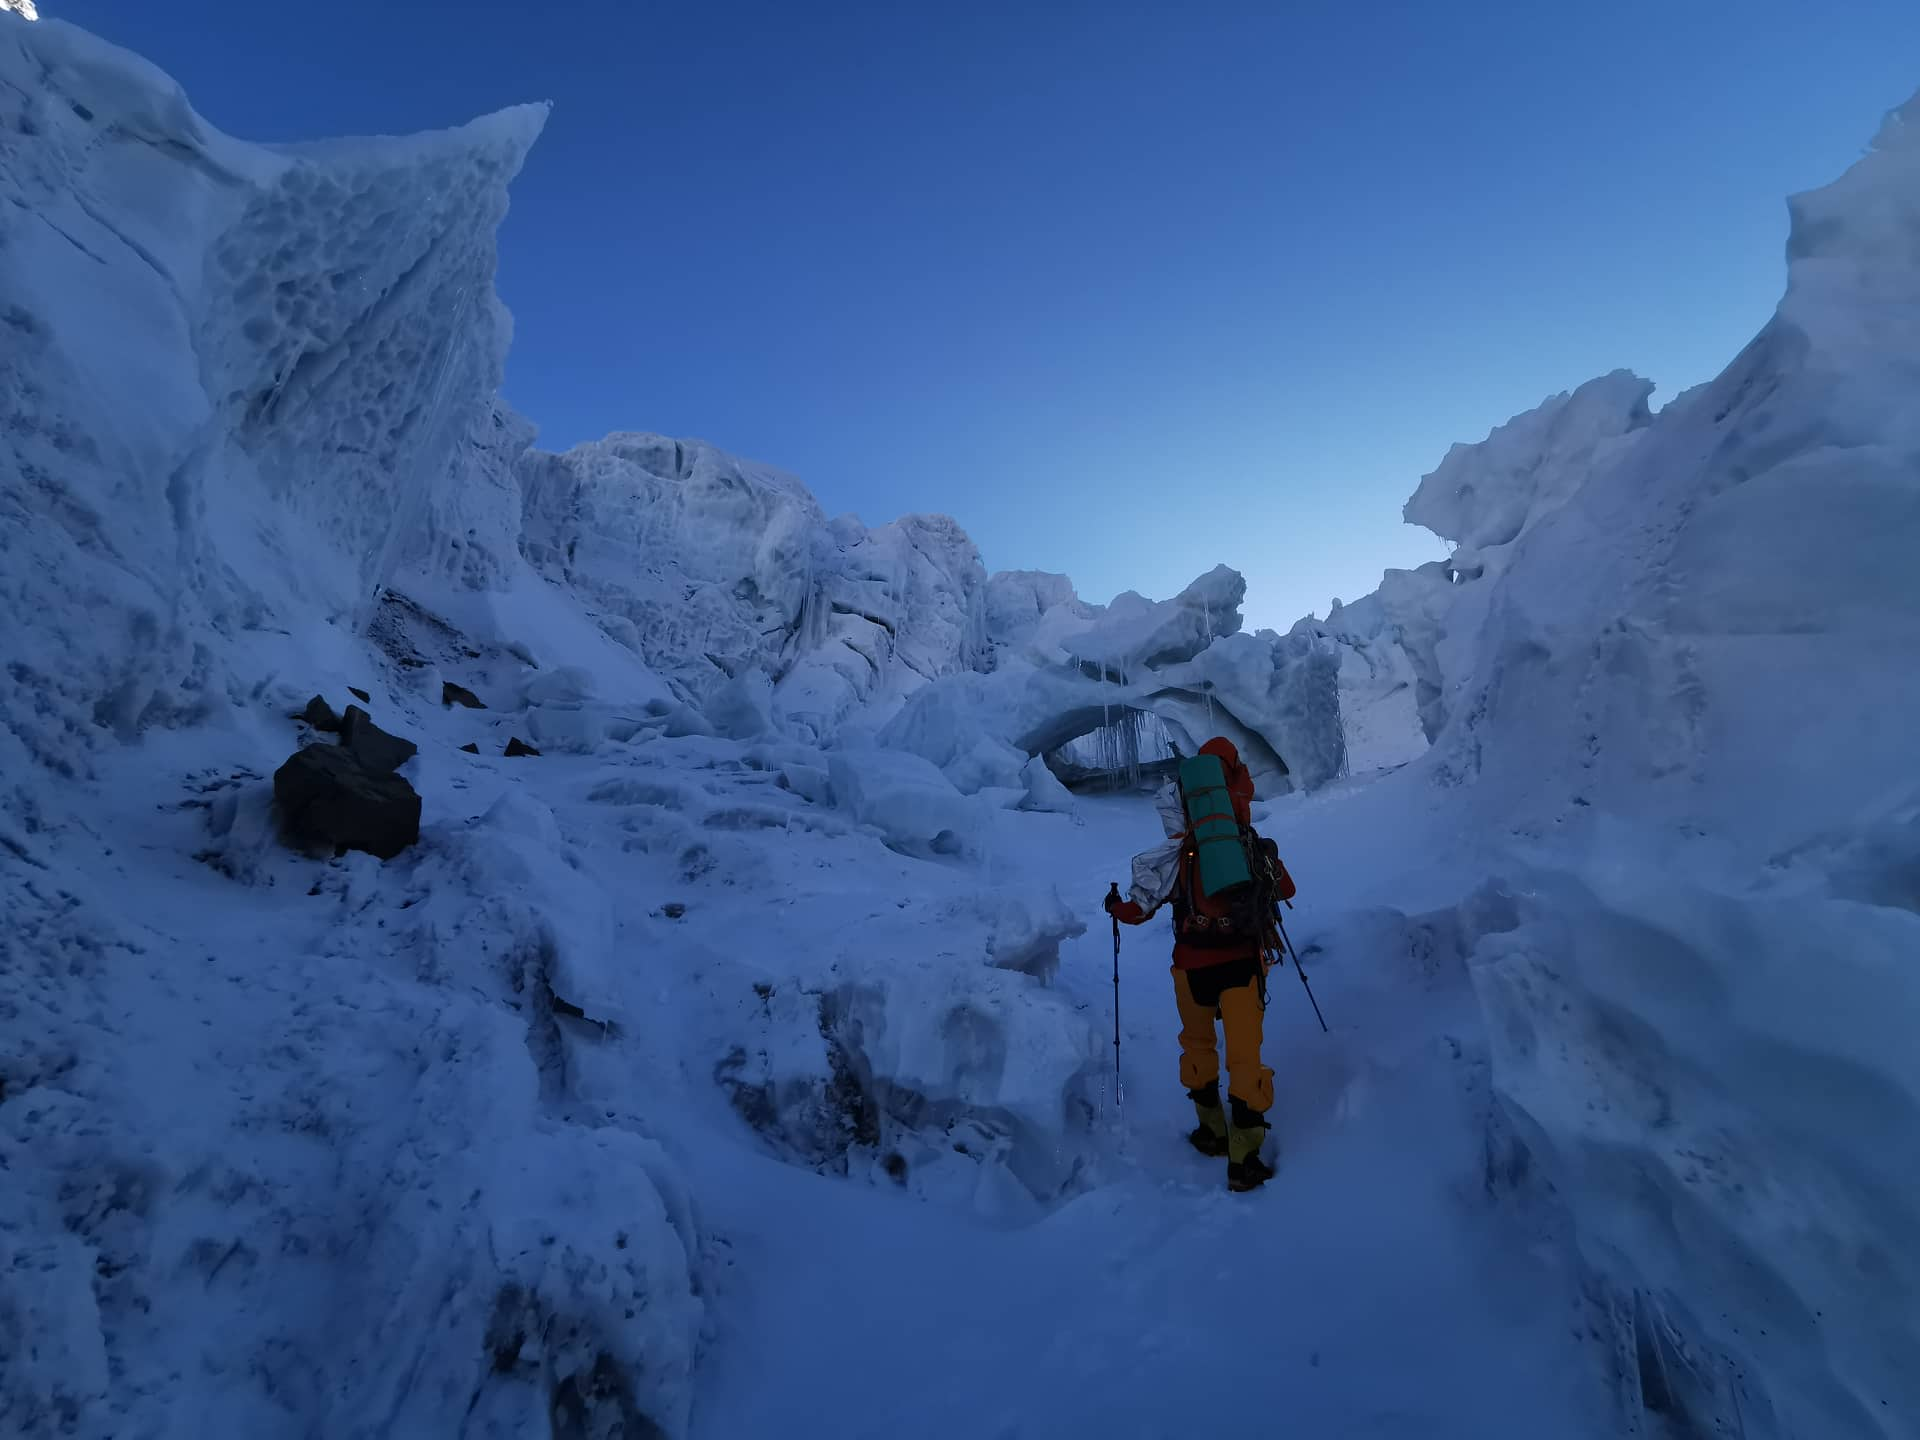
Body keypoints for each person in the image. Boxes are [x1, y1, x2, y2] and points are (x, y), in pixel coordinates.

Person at [1104, 736, 1279, 1192]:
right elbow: (1286, 893)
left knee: (1197, 1045)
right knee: (1245, 1058)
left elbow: (1139, 911)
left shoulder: (1181, 853)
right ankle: (1244, 1159)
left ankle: (1211, 1131)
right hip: (1242, 967)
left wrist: (1115, 907)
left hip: (1191, 969)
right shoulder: (1248, 846)